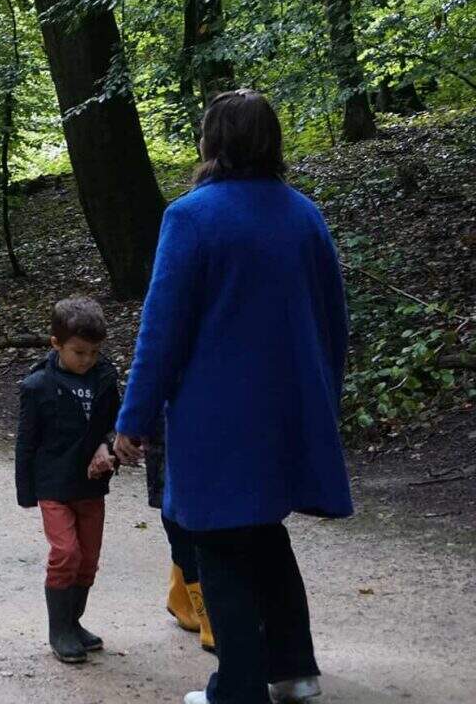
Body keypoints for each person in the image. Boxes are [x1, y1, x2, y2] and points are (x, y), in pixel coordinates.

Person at [112, 90, 352, 704]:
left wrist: (133, 419)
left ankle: (239, 688)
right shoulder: (303, 213)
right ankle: (295, 671)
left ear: (210, 142)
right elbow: (334, 319)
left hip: (216, 416)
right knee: (265, 533)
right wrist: (325, 396)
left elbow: (161, 328)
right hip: (288, 410)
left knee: (218, 543)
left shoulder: (191, 216)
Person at [14, 297, 120, 664]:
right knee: (66, 553)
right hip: (54, 485)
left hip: (91, 487)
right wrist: (27, 492)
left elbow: (116, 424)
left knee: (87, 559)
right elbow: (26, 441)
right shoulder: (37, 386)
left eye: (94, 351)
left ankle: (73, 623)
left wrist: (109, 448)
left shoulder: (106, 378)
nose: (87, 359)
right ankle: (58, 630)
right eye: (79, 352)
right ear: (56, 344)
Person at [145, 423, 216, 654]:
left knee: (194, 520)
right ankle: (208, 619)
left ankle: (181, 600)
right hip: (174, 430)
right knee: (182, 522)